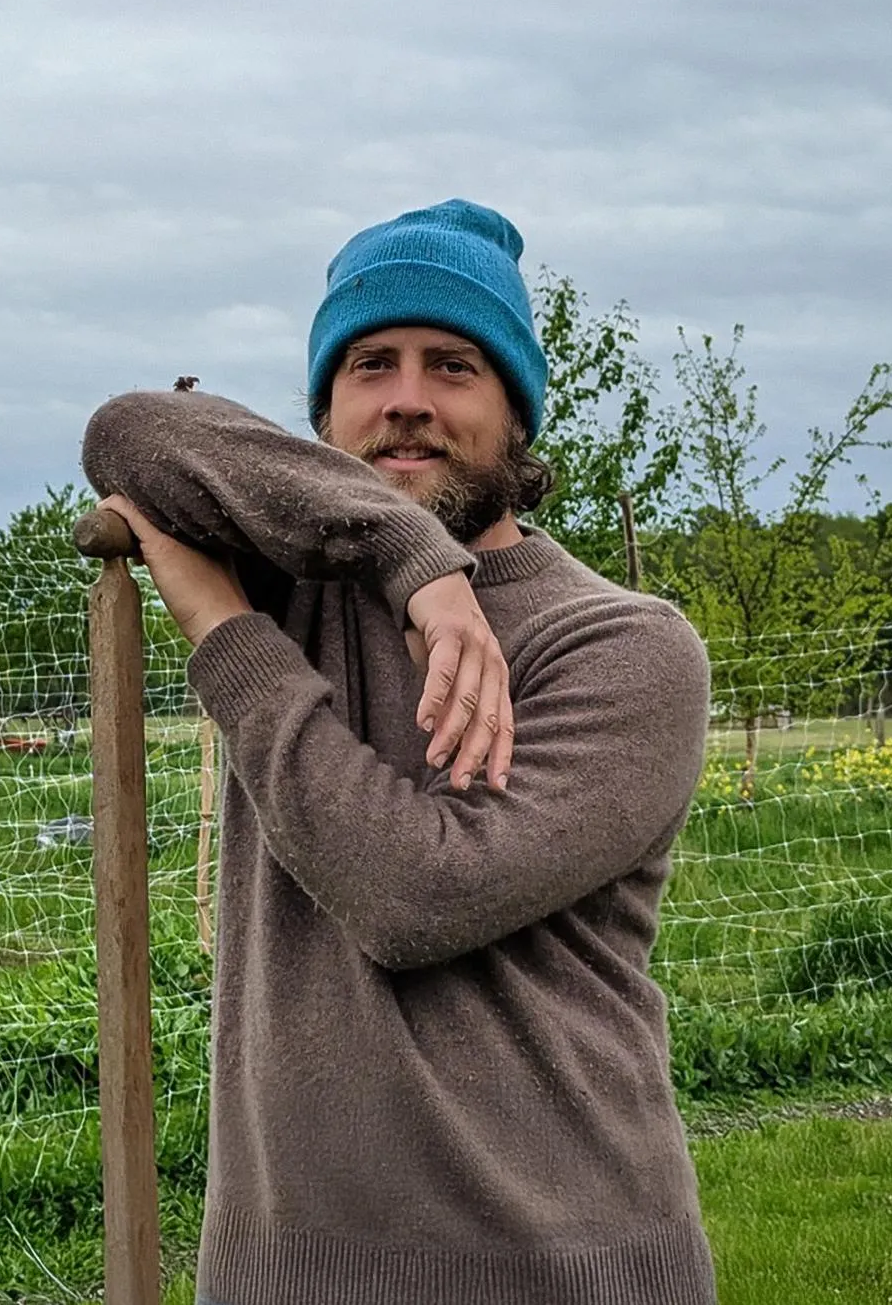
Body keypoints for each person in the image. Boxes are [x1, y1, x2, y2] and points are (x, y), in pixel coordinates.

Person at [82, 198, 716, 1305]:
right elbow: (129, 431)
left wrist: (227, 634)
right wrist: (410, 556)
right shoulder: (303, 582)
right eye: (369, 363)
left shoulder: (622, 645)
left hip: (557, 1267)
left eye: (454, 365)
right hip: (281, 1273)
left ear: (515, 412)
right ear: (320, 413)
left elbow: (415, 892)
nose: (407, 400)